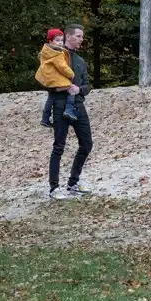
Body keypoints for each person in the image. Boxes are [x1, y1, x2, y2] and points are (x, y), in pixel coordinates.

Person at [47, 24, 93, 199]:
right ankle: (54, 188)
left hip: (79, 106)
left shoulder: (81, 61)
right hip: (60, 105)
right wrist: (63, 88)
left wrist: (79, 90)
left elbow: (87, 86)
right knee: (59, 146)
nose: (82, 39)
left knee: (87, 144)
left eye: (82, 36)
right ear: (68, 36)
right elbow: (47, 81)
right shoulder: (55, 56)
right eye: (79, 36)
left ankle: (73, 182)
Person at [35, 28, 77, 127]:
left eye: (61, 40)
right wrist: (71, 74)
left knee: (51, 97)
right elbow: (62, 67)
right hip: (55, 80)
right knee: (72, 89)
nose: (60, 43)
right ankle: (69, 110)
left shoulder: (46, 51)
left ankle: (45, 119)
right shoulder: (57, 53)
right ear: (50, 41)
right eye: (57, 40)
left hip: (47, 79)